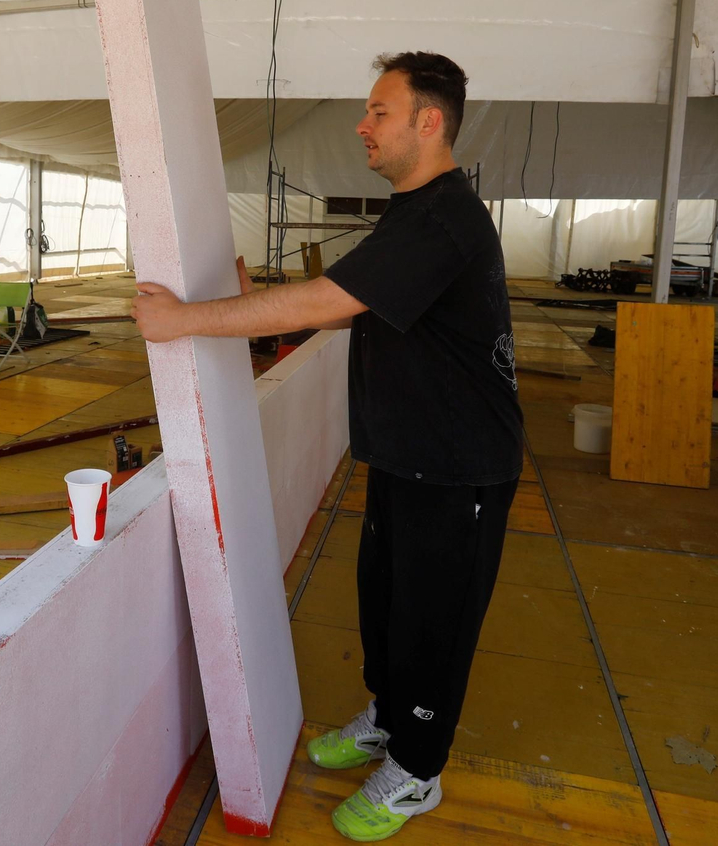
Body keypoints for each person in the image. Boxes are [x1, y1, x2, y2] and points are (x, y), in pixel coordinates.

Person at [131, 51, 524, 842]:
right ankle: (387, 717)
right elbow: (359, 308)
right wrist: (242, 305)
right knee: (385, 604)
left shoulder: (446, 218)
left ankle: (418, 771)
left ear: (429, 120)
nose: (362, 125)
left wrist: (185, 319)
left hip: (458, 467)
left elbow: (330, 297)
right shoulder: (414, 214)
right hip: (408, 453)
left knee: (432, 624)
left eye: (379, 110)